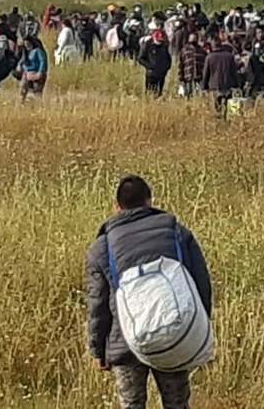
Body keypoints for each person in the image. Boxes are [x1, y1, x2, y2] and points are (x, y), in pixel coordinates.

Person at [86, 175, 212, 409]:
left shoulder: (102, 247)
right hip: (173, 333)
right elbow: (201, 283)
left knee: (132, 405)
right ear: (149, 201)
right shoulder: (177, 233)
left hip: (125, 340)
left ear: (117, 208)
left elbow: (98, 304)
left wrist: (98, 349)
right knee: (177, 404)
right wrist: (198, 331)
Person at [201, 32, 241, 117]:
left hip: (214, 86)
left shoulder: (209, 57)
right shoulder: (229, 56)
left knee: (216, 107)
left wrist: (204, 86)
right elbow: (234, 72)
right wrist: (237, 85)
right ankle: (226, 120)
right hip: (228, 85)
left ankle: (218, 121)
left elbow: (205, 73)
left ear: (212, 45)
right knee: (228, 105)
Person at [138, 29, 172, 96]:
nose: (160, 41)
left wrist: (166, 68)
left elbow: (168, 59)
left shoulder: (164, 46)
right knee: (150, 92)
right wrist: (150, 66)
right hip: (151, 74)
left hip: (161, 74)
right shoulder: (147, 45)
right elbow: (140, 58)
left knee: (159, 93)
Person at [177, 32, 207, 97]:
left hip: (199, 77)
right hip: (188, 77)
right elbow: (181, 65)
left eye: (194, 39)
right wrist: (180, 78)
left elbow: (205, 64)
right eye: (191, 39)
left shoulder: (202, 50)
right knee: (188, 95)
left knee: (199, 96)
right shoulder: (184, 50)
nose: (193, 40)